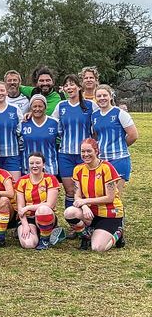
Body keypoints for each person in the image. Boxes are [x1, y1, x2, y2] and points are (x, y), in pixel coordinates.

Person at [64, 138, 125, 251]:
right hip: (90, 213)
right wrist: (84, 206)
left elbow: (109, 198)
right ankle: (85, 235)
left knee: (98, 248)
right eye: (83, 151)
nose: (85, 154)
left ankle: (118, 233)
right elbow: (77, 196)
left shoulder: (106, 168)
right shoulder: (78, 169)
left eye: (89, 151)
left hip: (109, 213)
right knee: (69, 212)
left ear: (96, 151)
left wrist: (86, 201)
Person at [52, 74, 95, 218]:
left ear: (79, 87)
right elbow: (50, 124)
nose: (69, 87)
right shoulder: (61, 106)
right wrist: (30, 115)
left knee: (86, 190)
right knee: (70, 191)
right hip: (65, 155)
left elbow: (99, 124)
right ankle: (73, 223)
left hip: (86, 155)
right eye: (66, 85)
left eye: (72, 84)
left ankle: (89, 222)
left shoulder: (90, 105)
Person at [92, 84, 137, 189]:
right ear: (95, 98)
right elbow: (96, 135)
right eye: (99, 96)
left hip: (119, 160)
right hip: (101, 160)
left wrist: (120, 145)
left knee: (114, 197)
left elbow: (133, 135)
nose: (102, 98)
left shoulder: (120, 113)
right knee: (101, 194)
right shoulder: (95, 115)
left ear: (111, 96)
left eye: (105, 95)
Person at [15, 152, 63, 250]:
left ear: (43, 164)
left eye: (38, 163)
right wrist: (25, 225)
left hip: (45, 215)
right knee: (28, 244)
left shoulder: (50, 179)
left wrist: (28, 207)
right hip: (28, 217)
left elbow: (49, 204)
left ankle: (45, 239)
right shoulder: (21, 181)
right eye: (31, 163)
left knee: (43, 209)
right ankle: (41, 233)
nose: (34, 166)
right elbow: (20, 208)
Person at [20, 95, 60, 176]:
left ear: (45, 107)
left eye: (40, 106)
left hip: (50, 167)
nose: (37, 109)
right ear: (30, 108)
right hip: (29, 167)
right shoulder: (23, 123)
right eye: (34, 106)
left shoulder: (54, 122)